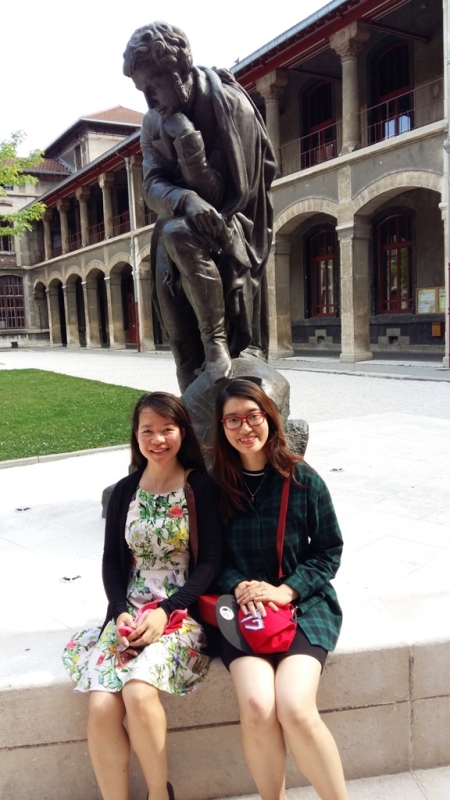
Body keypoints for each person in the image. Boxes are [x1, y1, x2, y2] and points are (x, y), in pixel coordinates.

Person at [62, 392, 222, 800]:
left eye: (167, 429)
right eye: (147, 431)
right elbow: (112, 561)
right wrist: (118, 612)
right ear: (136, 436)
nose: (158, 439)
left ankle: (158, 795)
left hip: (179, 615)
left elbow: (209, 564)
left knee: (137, 688)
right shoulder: (125, 491)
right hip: (129, 615)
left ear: (182, 432)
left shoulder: (197, 487)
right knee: (101, 707)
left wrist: (167, 610)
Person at [123, 22, 276, 392]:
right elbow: (151, 185)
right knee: (182, 352)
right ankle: (197, 434)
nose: (149, 99)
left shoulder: (231, 105)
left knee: (177, 232)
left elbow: (229, 193)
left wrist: (189, 142)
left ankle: (217, 342)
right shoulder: (153, 121)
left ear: (177, 71)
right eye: (142, 90)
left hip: (235, 224)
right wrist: (185, 199)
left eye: (153, 86)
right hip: (181, 231)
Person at [213, 379, 348, 800]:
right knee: (257, 706)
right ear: (221, 428)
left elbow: (329, 551)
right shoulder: (213, 486)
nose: (244, 427)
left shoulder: (302, 478)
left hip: (304, 605)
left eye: (252, 416)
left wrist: (287, 590)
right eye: (232, 419)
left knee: (294, 707)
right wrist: (242, 588)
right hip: (242, 609)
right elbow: (208, 561)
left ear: (269, 417)